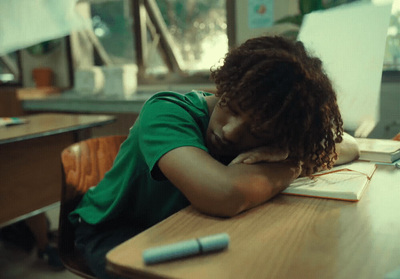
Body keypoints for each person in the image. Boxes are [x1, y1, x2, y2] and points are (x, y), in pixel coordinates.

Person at [69, 36, 359, 279]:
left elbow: (349, 146)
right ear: (223, 89)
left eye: (256, 130)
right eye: (229, 106)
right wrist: (292, 164)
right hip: (111, 230)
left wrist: (289, 148)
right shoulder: (165, 111)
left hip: (181, 226)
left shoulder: (276, 136)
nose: (231, 131)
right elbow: (223, 194)